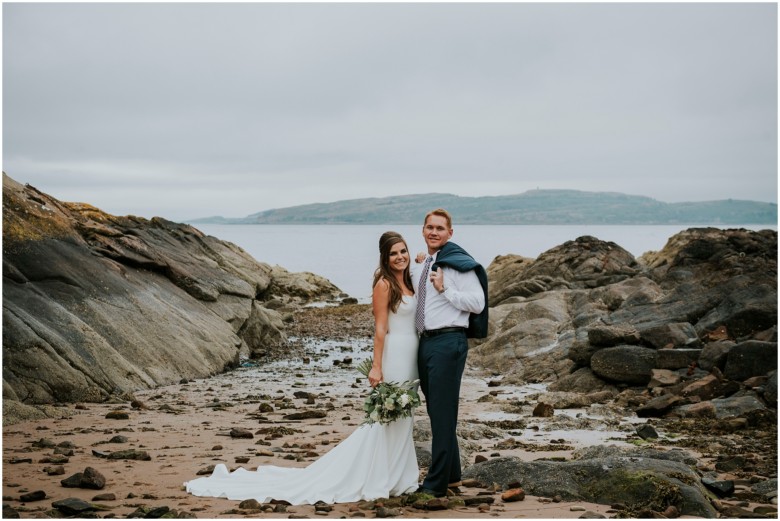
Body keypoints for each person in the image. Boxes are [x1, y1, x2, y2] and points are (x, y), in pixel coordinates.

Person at [185, 231, 420, 504]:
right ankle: (379, 476)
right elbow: (380, 328)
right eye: (394, 253)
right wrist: (376, 366)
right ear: (385, 257)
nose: (400, 257)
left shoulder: (410, 282)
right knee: (387, 416)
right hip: (394, 355)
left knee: (406, 414)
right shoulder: (384, 284)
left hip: (412, 356)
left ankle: (401, 475)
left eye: (403, 251)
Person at [412, 208, 488, 498]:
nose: (434, 232)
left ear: (450, 233)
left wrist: (445, 290)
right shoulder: (426, 262)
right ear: (423, 230)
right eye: (429, 227)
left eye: (440, 228)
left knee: (443, 416)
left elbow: (478, 303)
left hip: (448, 341)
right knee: (437, 412)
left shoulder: (458, 265)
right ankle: (453, 476)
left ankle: (436, 485)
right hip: (426, 341)